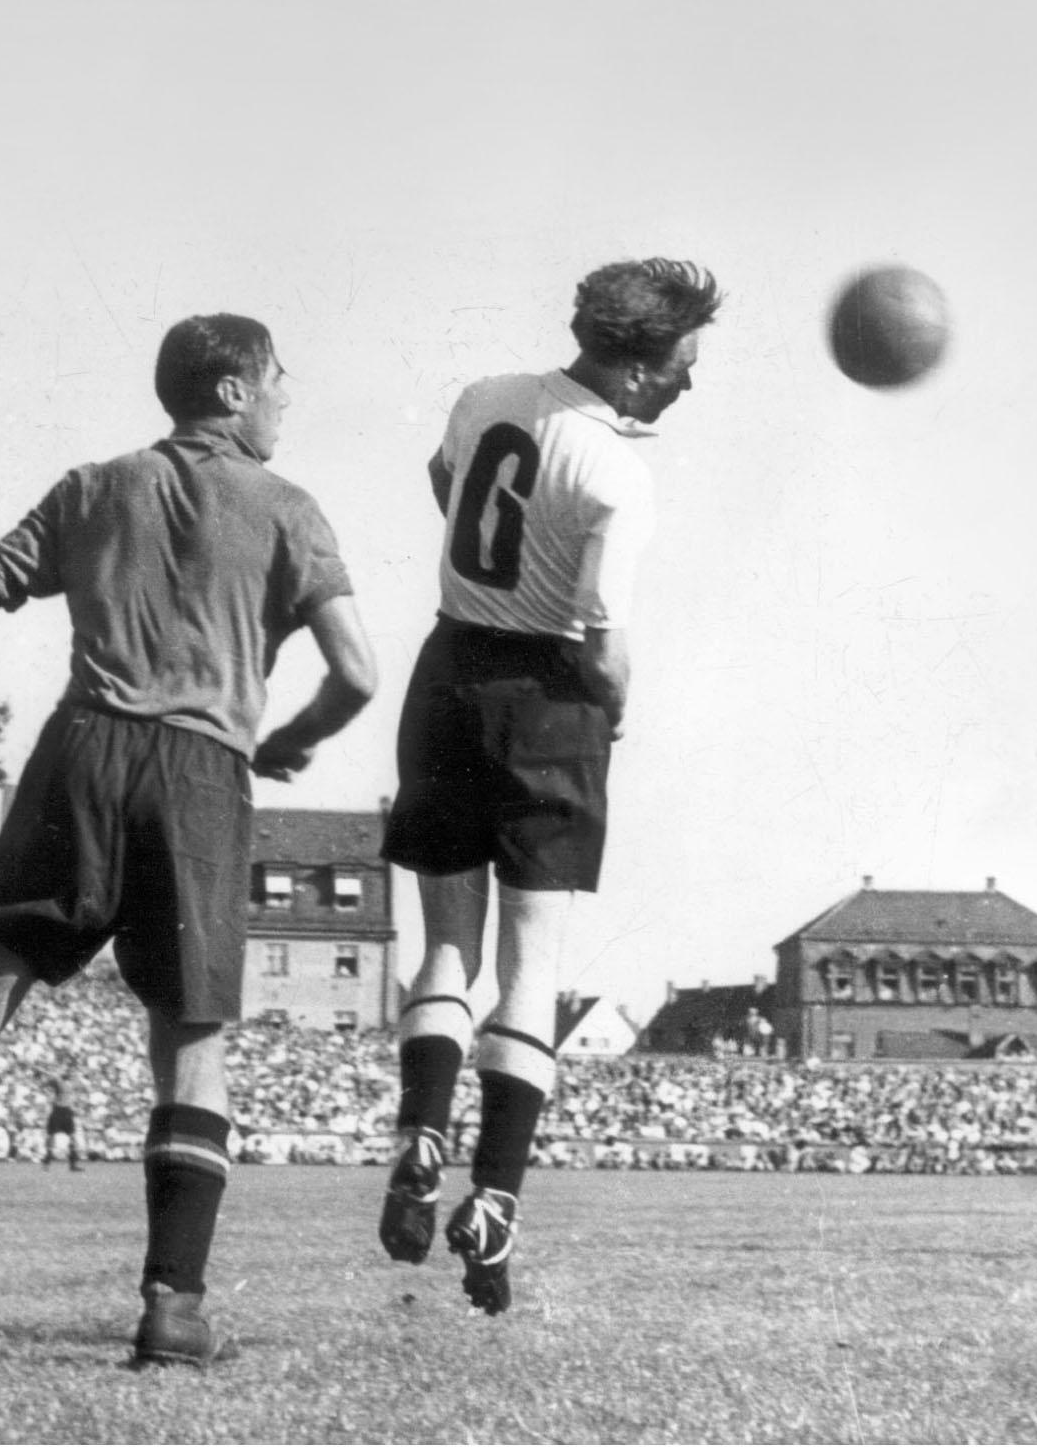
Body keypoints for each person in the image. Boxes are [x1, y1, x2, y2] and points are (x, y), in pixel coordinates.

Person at [0, 313, 375, 1368]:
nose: (287, 394)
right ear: (231, 391)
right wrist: (288, 739)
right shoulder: (285, 506)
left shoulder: (93, 486)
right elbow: (357, 672)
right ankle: (171, 1308)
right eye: (276, 377)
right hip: (199, 770)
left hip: (79, 756)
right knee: (188, 1039)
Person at [376, 257, 721, 1314]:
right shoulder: (616, 469)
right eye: (677, 365)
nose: (685, 384)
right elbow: (603, 630)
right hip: (549, 695)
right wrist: (613, 706)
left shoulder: (485, 397)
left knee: (444, 944)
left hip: (447, 670)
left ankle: (420, 1128)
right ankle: (494, 1196)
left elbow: (445, 484)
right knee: (533, 964)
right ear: (628, 363)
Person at [42, 1076, 83, 1171]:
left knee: (71, 1137)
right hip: (58, 1111)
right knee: (51, 1137)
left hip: (65, 1111)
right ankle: (47, 1162)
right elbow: (51, 1082)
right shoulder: (59, 1083)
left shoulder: (67, 1083)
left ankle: (72, 1164)